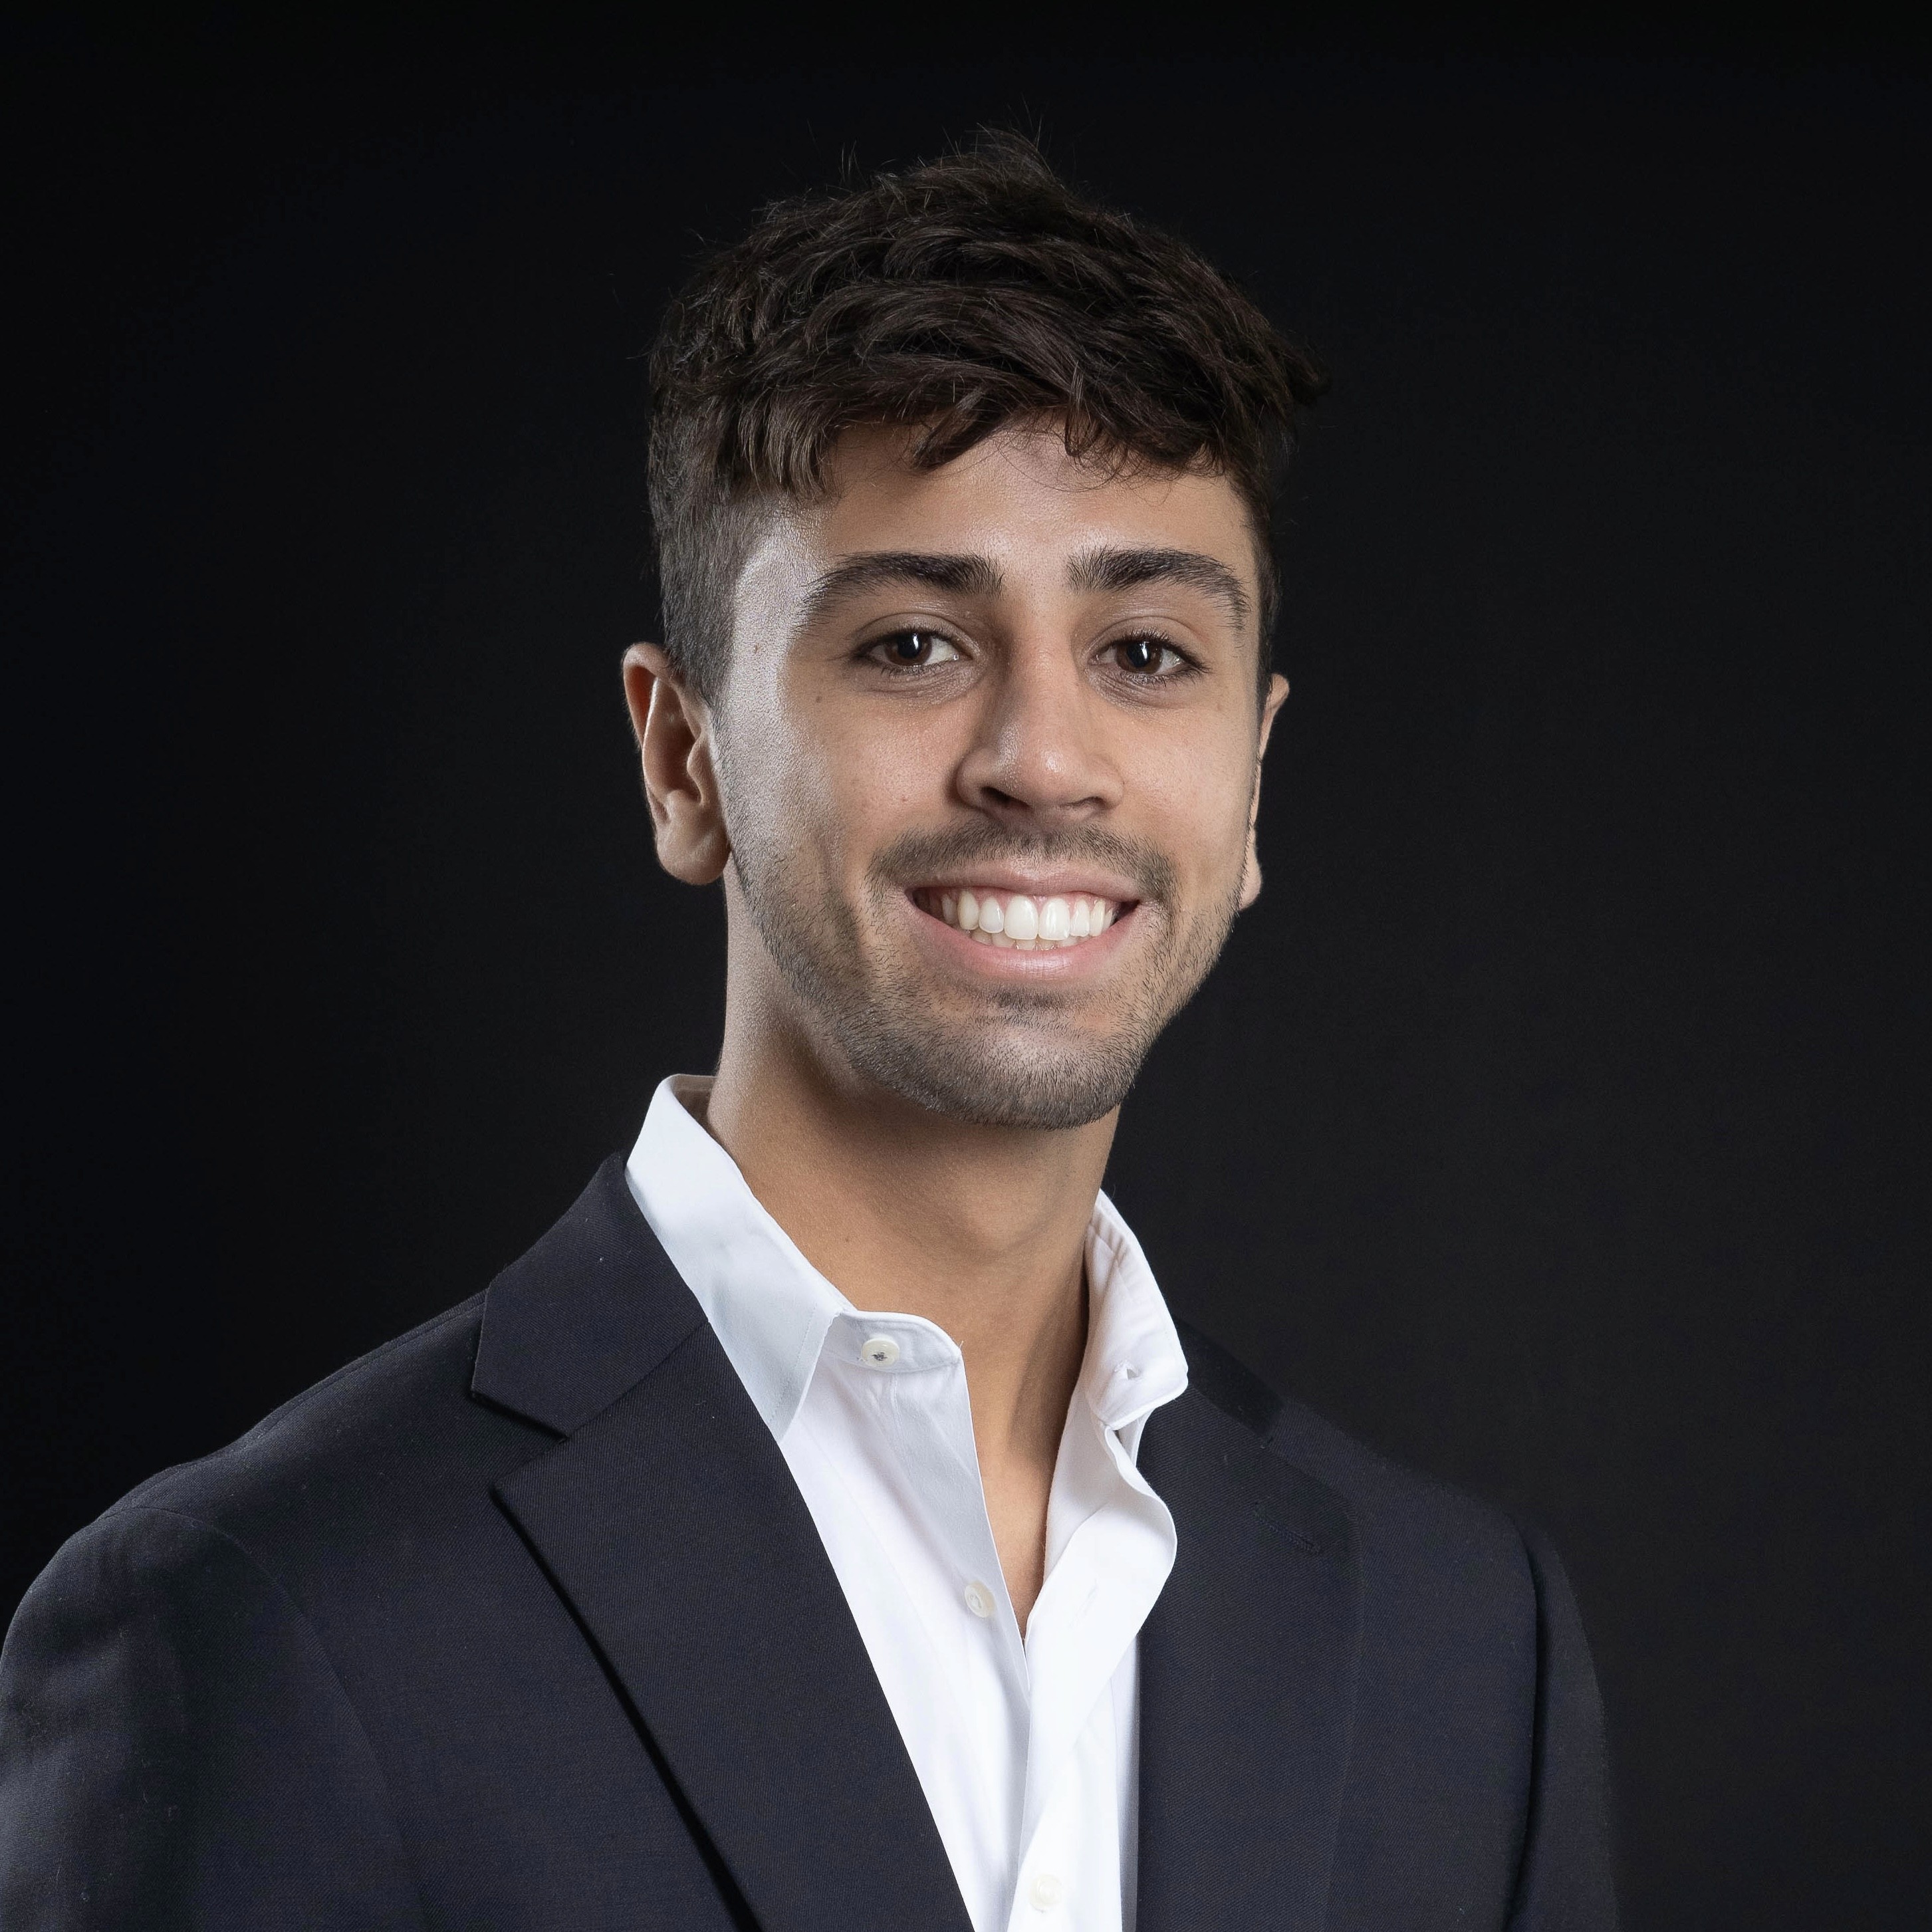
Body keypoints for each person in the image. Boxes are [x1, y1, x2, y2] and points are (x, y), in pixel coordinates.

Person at [0, 135, 1616, 1931]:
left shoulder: (1468, 1642)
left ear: (1250, 783)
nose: (1041, 756)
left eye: (1146, 652)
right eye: (914, 642)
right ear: (680, 757)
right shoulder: (254, 1612)